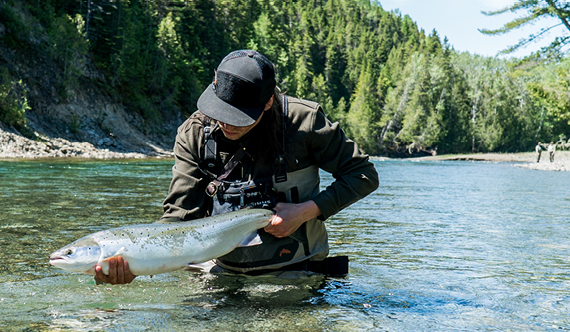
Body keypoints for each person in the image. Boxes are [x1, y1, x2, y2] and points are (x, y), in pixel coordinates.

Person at [96, 49, 380, 284]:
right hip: (220, 272)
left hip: (296, 271)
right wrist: (137, 263)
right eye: (220, 111)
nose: (226, 123)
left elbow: (363, 175)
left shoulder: (304, 123)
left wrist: (305, 211)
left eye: (239, 117)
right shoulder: (193, 133)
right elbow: (178, 219)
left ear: (268, 102)